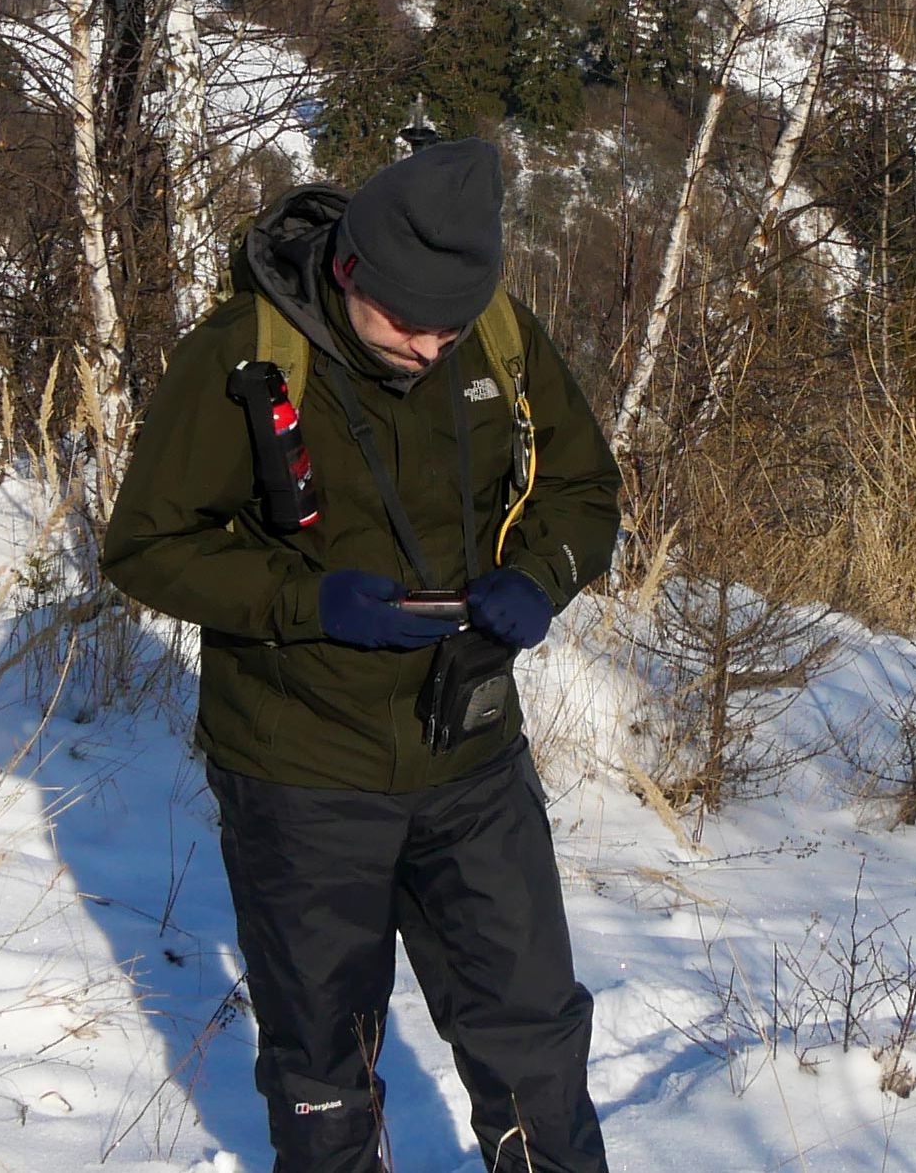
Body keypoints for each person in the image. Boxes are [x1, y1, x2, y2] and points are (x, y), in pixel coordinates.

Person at [103, 138, 622, 1173]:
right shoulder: (241, 358)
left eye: (451, 325)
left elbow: (582, 488)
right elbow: (146, 545)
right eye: (409, 324)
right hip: (302, 772)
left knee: (536, 1043)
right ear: (348, 272)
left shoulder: (499, 338)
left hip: (472, 753)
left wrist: (543, 573)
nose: (433, 347)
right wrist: (307, 600)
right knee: (324, 1068)